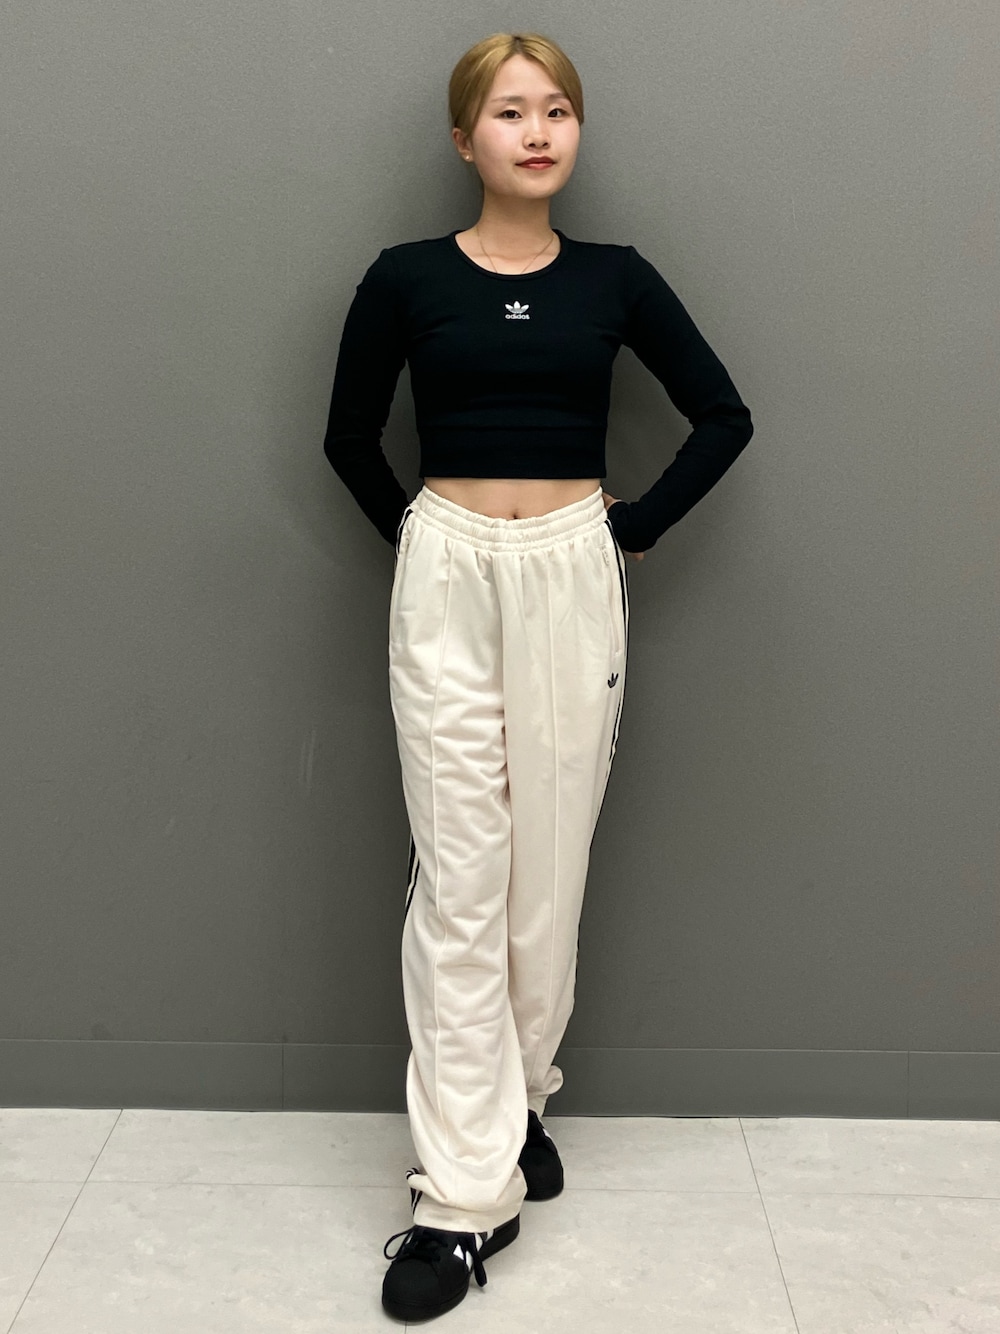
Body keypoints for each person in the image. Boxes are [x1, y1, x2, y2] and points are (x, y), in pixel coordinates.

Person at [322, 30, 754, 1323]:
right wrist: (426, 541)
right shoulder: (405, 277)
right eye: (510, 112)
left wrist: (631, 529)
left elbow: (723, 414)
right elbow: (349, 436)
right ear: (466, 139)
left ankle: (519, 1105)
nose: (537, 131)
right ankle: (461, 1202)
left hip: (573, 569)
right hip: (448, 572)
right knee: (461, 880)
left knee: (544, 879)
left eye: (556, 110)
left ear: (576, 132)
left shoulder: (617, 278)